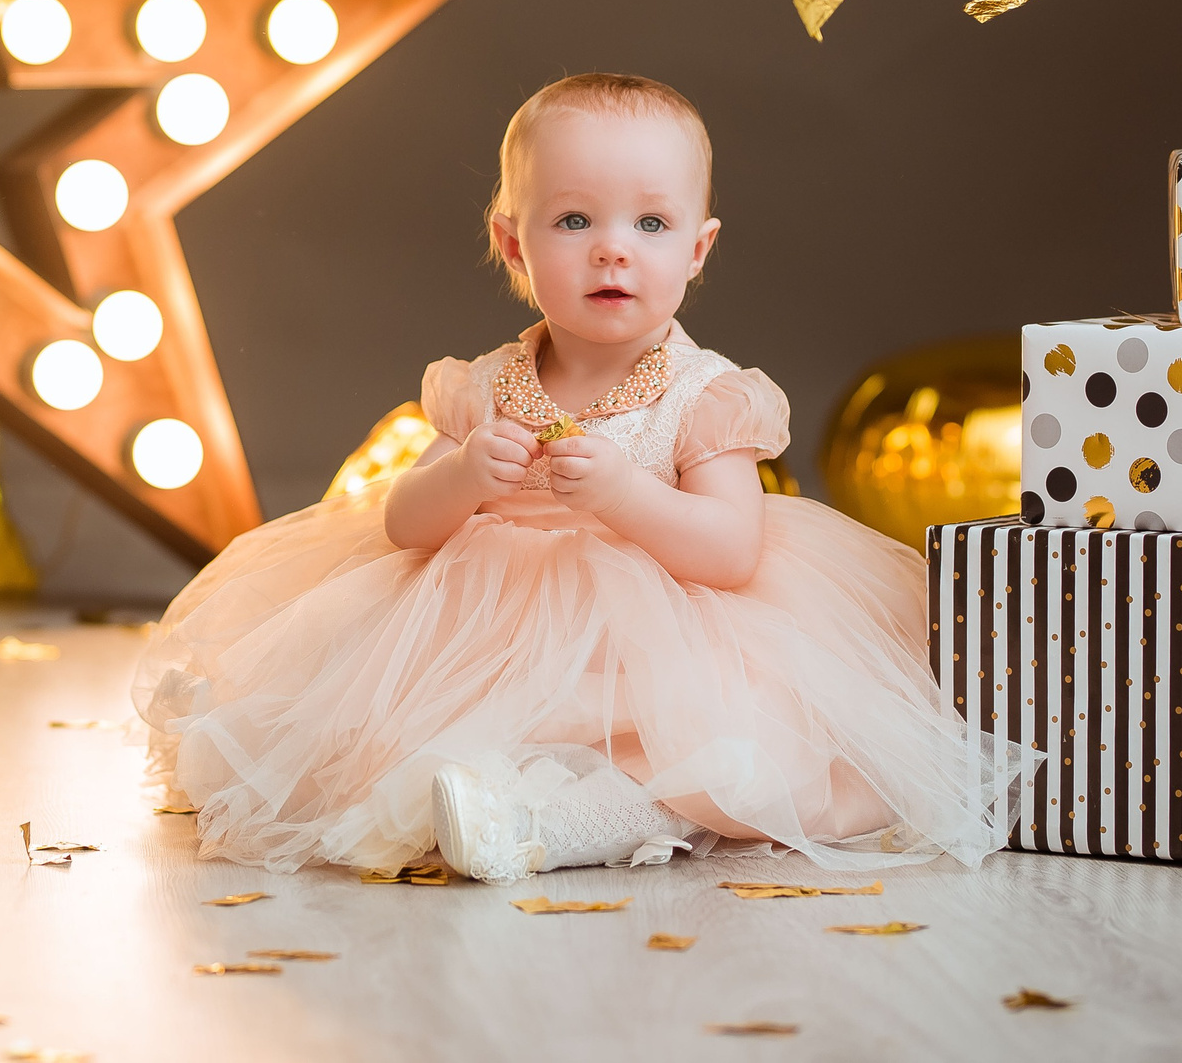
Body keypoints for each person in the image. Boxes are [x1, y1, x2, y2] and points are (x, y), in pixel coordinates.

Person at [132, 72, 1033, 881]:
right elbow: (405, 524)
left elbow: (729, 550)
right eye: (574, 220)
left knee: (720, 753)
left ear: (698, 248)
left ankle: (550, 823)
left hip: (660, 635)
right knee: (390, 739)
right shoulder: (486, 385)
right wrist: (465, 479)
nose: (613, 249)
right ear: (514, 245)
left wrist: (624, 495)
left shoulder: (705, 394)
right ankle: (477, 801)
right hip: (482, 628)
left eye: (651, 223)